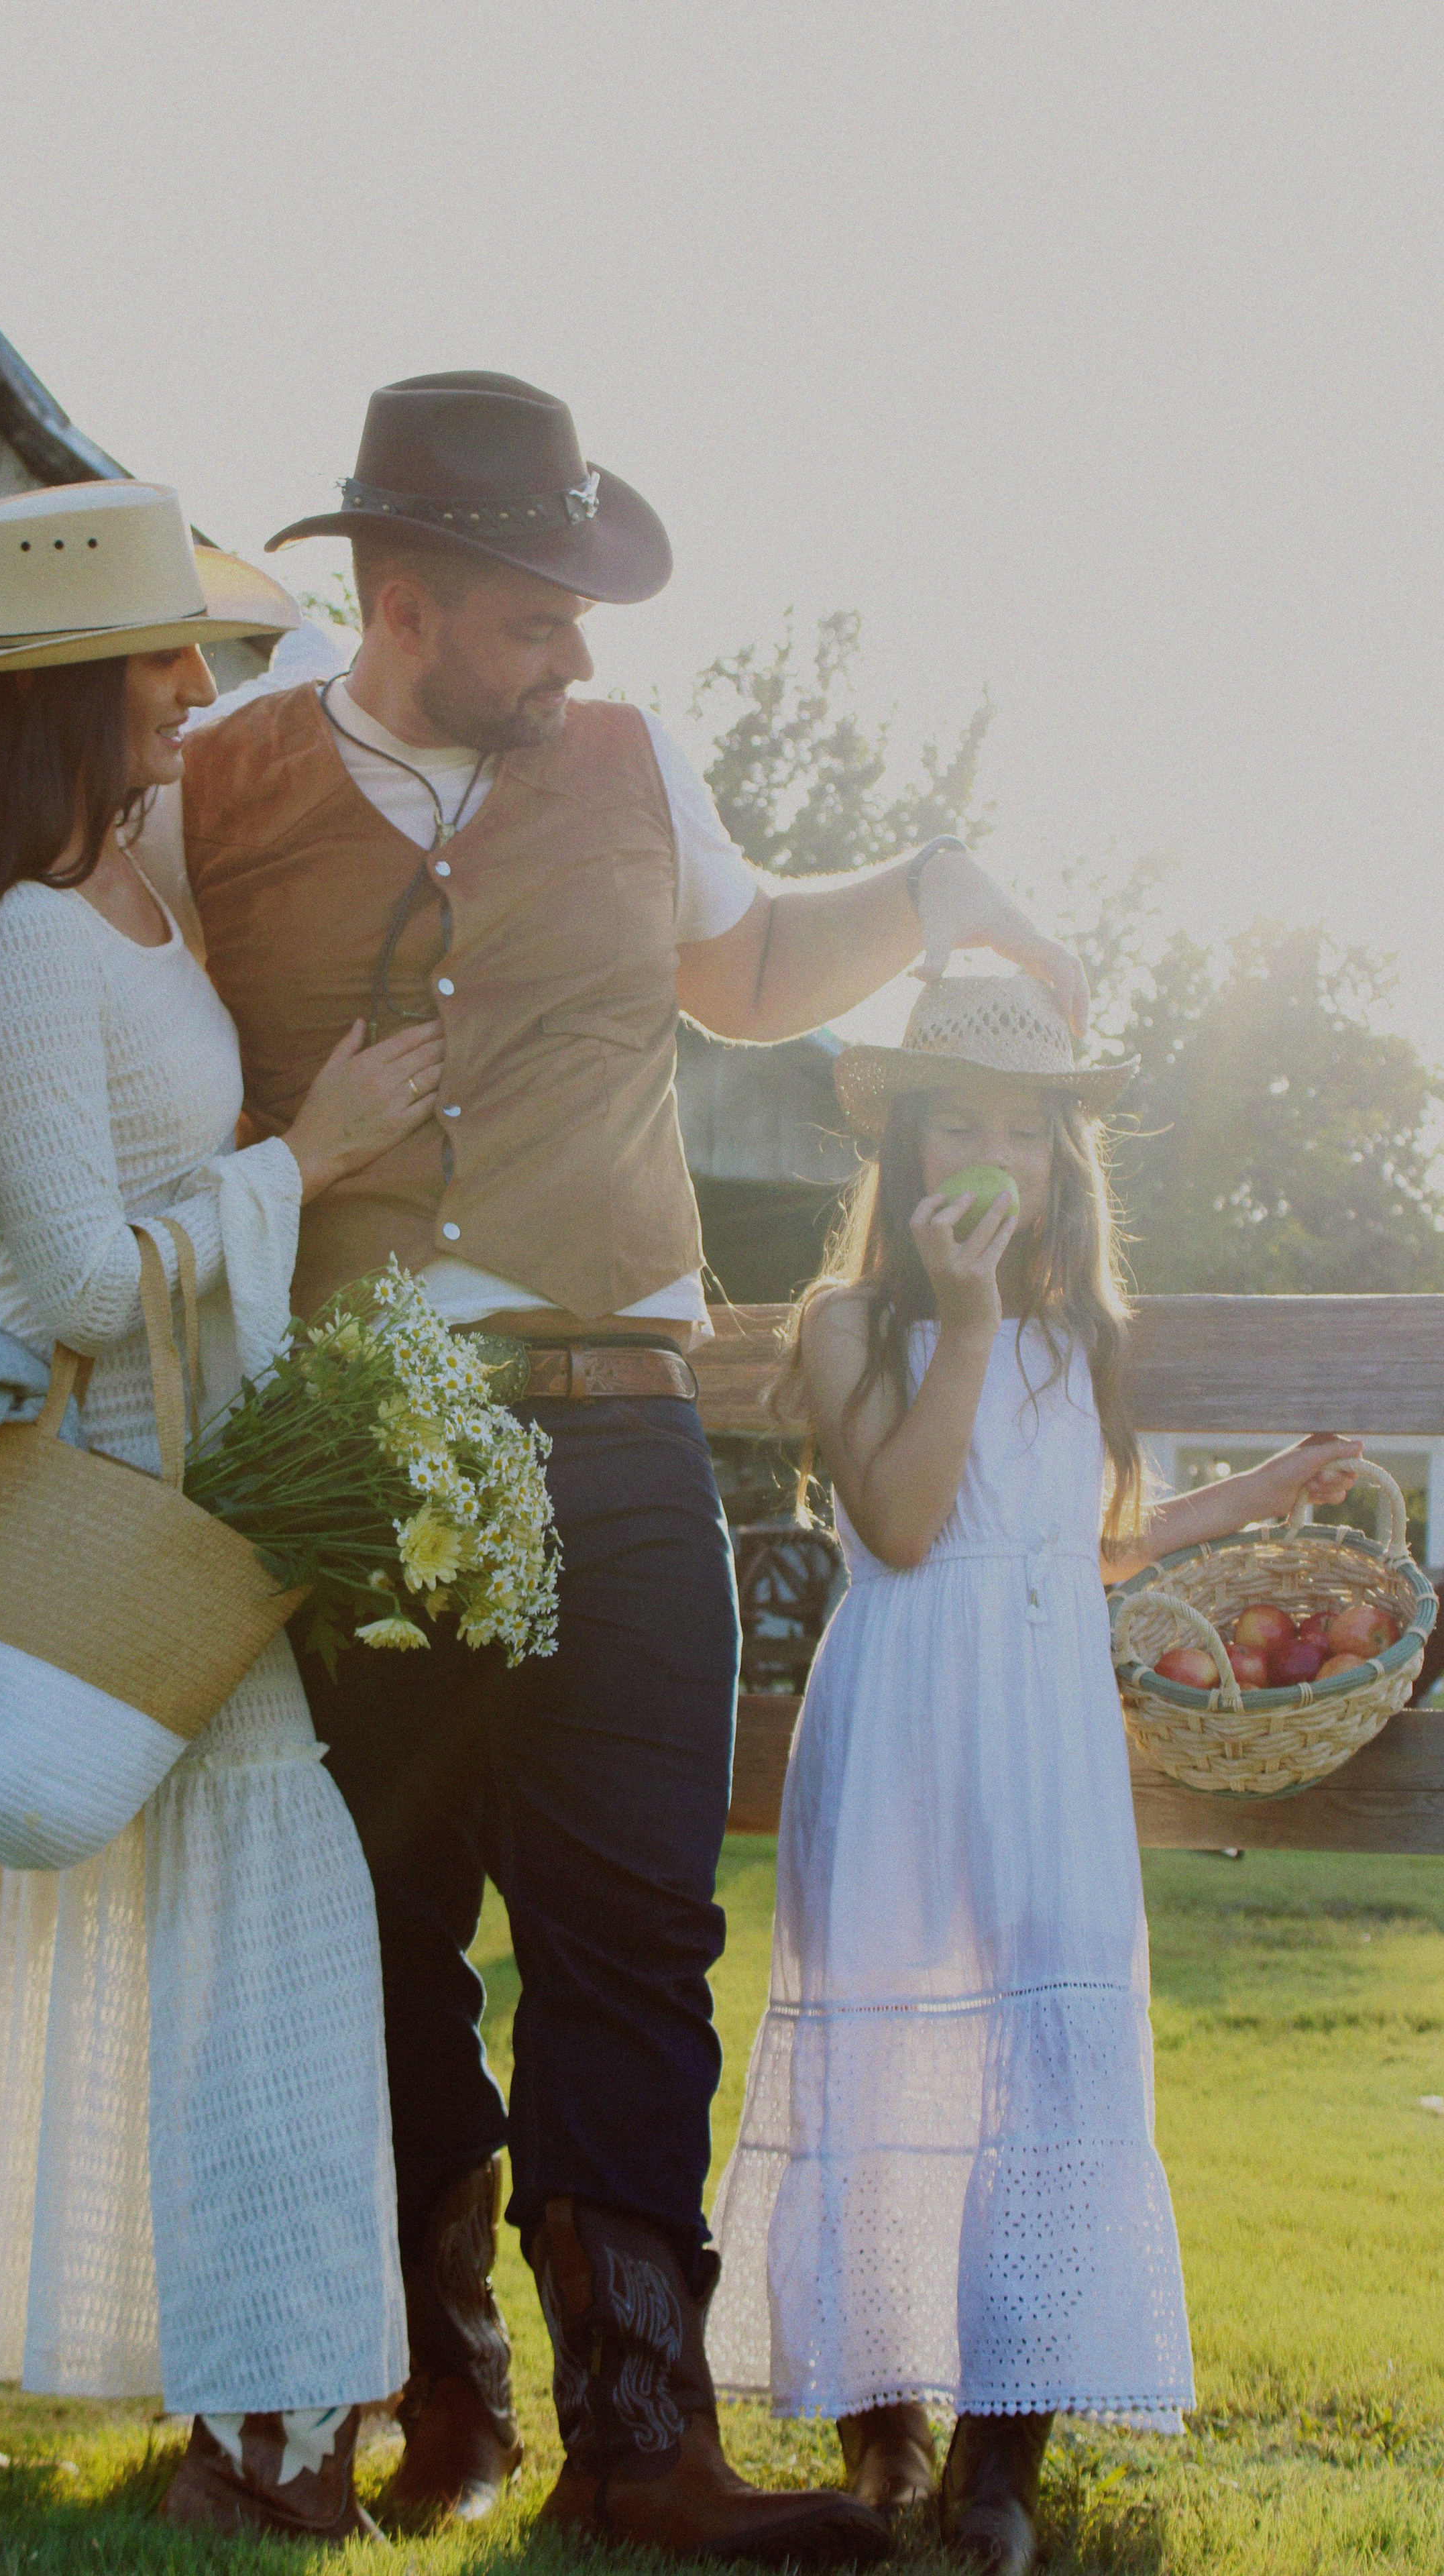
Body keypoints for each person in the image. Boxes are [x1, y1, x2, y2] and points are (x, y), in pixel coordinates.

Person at [142, 369, 1093, 2563]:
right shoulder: (216, 795)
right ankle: (438, 2395)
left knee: (636, 1932)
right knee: (369, 1929)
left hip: (627, 1438)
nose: (578, 646)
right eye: (535, 608)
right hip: (354, 1460)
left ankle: (639, 2442)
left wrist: (939, 882)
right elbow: (113, 1052)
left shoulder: (637, 759)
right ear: (402, 594)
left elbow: (750, 969)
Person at [0, 482, 435, 2548]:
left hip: (175, 1469)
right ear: (64, 691)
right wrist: (304, 1160)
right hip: (119, 1497)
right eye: (154, 652)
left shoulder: (130, 872)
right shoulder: (30, 943)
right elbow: (48, 1277)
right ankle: (270, 2433)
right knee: (279, 1914)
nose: (191, 679)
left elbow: (318, 687)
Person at [705, 971, 1364, 2575]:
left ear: (1065, 1160)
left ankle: (1006, 2448)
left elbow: (1079, 1546)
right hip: (907, 1709)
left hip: (1045, 1719)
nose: (992, 1152)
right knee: (889, 2041)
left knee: (1052, 2052)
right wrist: (971, 1315)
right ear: (905, 1155)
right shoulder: (854, 1320)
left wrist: (1253, 1498)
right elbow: (917, 1523)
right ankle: (884, 2418)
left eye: (1024, 1126)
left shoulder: (1081, 1335)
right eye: (957, 1126)